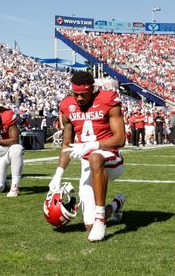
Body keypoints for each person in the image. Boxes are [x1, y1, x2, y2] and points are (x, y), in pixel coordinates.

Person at [48, 71, 126, 242]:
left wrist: (92, 145)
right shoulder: (67, 105)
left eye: (83, 94)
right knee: (88, 227)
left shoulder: (107, 100)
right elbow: (67, 145)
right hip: (87, 163)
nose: (80, 98)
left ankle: (100, 220)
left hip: (109, 157)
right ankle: (116, 205)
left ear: (93, 89)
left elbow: (120, 139)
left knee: (95, 157)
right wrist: (58, 173)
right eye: (76, 94)